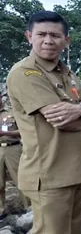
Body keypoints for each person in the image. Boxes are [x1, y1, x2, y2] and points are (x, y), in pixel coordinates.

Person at [6, 11, 81, 234]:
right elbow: (61, 121)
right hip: (49, 176)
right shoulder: (25, 73)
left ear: (66, 41)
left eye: (55, 35)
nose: (48, 40)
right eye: (41, 34)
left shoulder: (68, 74)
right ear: (29, 36)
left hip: (76, 171)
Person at [0, 89, 29, 220]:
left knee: (21, 180)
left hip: (13, 148)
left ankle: (29, 208)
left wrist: (6, 134)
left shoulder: (12, 111)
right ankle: (1, 210)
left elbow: (24, 130)